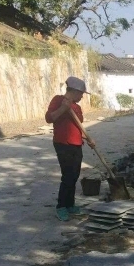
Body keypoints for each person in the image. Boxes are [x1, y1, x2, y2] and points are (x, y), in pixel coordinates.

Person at [45, 76, 95, 222]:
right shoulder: (58, 100)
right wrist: (63, 108)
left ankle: (70, 204)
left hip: (77, 144)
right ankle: (61, 207)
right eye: (81, 94)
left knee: (74, 175)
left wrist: (89, 139)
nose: (82, 97)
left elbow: (78, 127)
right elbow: (49, 118)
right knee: (67, 176)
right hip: (63, 144)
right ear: (74, 91)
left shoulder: (77, 107)